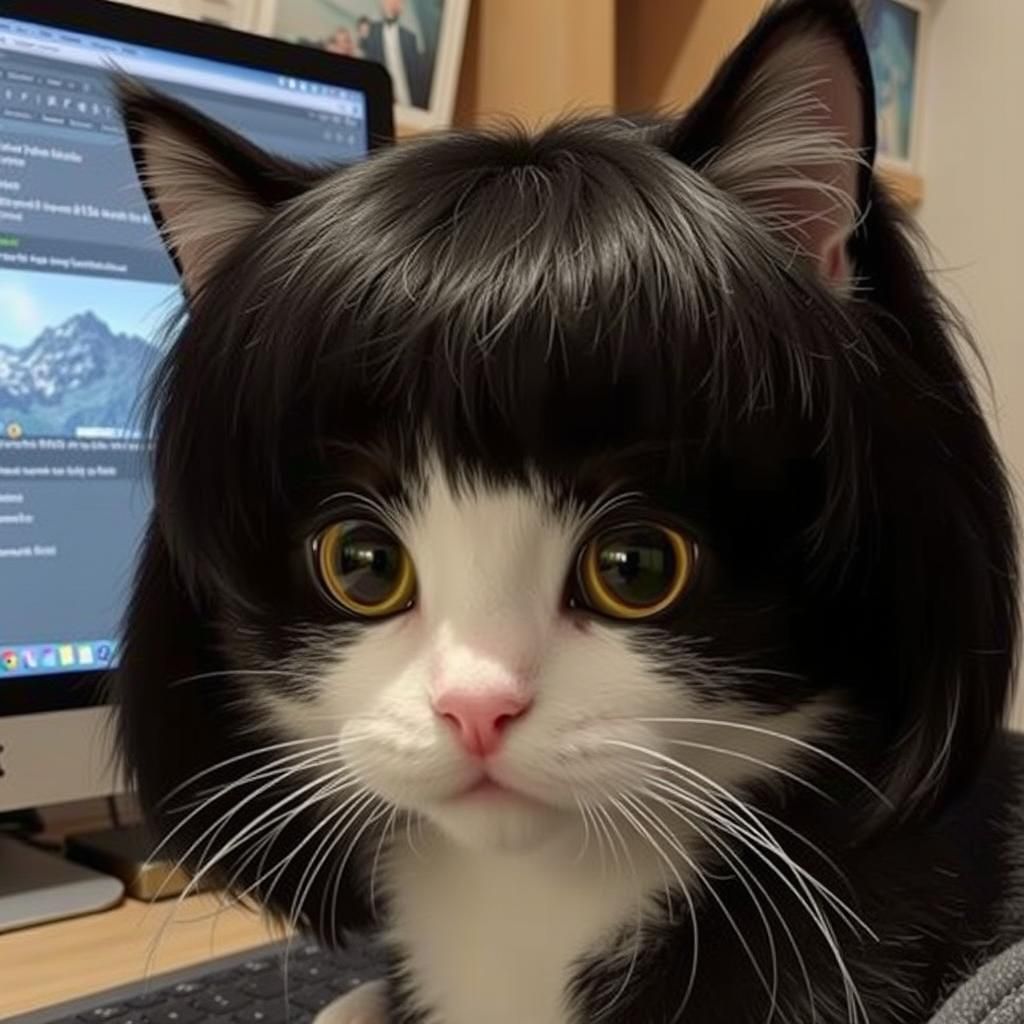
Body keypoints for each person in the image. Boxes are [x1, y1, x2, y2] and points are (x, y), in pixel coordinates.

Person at [361, 0, 429, 108]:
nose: (392, 5)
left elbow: (417, 76)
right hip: (381, 98)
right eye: (388, 1)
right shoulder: (371, 31)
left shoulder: (410, 37)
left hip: (408, 99)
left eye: (397, 2)